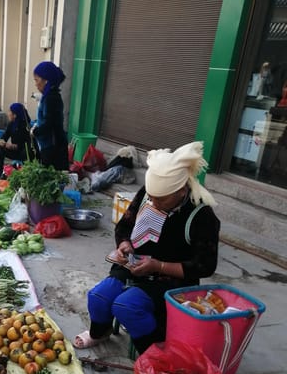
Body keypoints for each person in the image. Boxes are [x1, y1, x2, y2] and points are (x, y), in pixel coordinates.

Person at [74, 141, 220, 355]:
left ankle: (152, 353)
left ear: (181, 191)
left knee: (127, 306)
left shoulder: (201, 216)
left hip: (171, 280)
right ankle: (99, 333)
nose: (153, 202)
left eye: (161, 199)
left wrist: (158, 266)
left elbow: (204, 266)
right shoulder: (149, 194)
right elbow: (124, 226)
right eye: (151, 197)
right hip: (136, 264)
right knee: (99, 296)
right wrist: (125, 245)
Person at [31, 61, 69, 170]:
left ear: (46, 80)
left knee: (52, 179)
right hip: (50, 145)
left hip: (53, 147)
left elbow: (49, 123)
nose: (36, 83)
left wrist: (35, 132)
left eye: (36, 80)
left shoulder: (51, 98)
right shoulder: (49, 96)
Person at [0, 103, 34, 178]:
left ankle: (26, 173)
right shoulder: (12, 124)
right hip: (15, 150)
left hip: (25, 152)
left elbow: (27, 144)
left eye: (9, 111)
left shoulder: (25, 126)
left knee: (26, 152)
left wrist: (14, 146)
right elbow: (5, 136)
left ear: (15, 115)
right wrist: (2, 141)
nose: (8, 113)